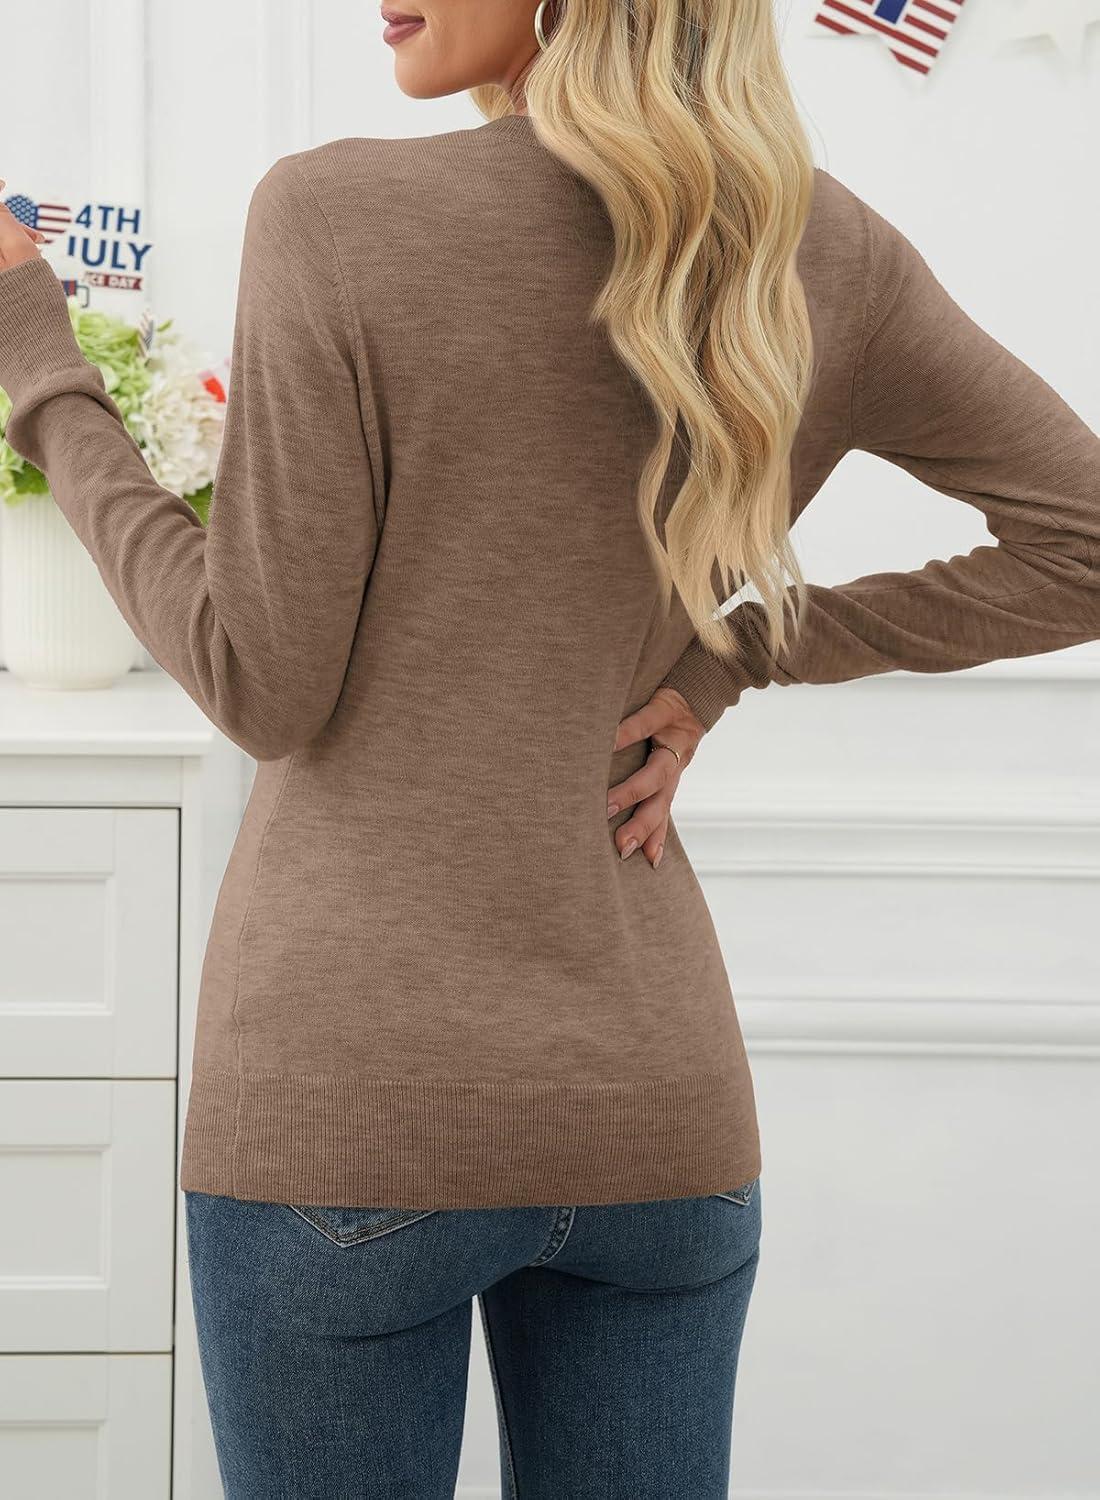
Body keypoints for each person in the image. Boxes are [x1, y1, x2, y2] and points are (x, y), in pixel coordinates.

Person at [1, 0, 1097, 1495]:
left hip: (349, 1105)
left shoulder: (332, 215)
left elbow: (261, 686)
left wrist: (41, 362)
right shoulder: (814, 247)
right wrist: (740, 646)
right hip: (656, 1116)